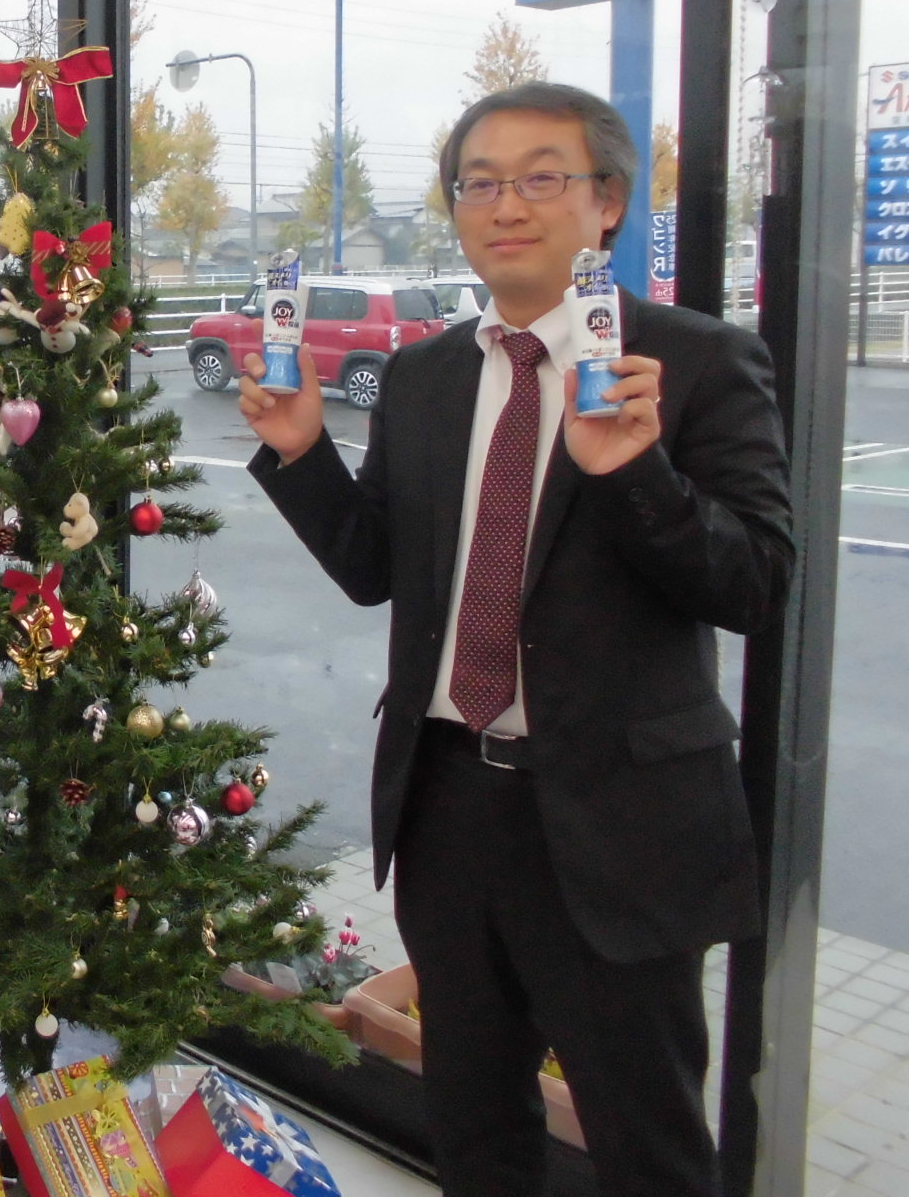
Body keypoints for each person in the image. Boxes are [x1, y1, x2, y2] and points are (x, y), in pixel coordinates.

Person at [237, 82, 792, 1196]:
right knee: (474, 1124)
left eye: (542, 177)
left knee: (646, 1145)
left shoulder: (693, 363)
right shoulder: (426, 374)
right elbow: (374, 571)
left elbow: (757, 583)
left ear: (607, 204)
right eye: (477, 183)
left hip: (615, 822)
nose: (505, 205)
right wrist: (302, 453)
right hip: (448, 807)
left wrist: (635, 471)